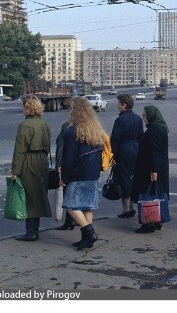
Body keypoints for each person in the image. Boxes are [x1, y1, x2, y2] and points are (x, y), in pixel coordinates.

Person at [59, 96, 106, 250]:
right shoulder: (96, 130)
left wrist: (63, 178)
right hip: (93, 174)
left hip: (78, 175)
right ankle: (86, 238)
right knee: (86, 206)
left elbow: (68, 159)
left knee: (70, 206)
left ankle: (89, 233)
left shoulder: (73, 131)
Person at [10, 95, 51, 241]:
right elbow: (48, 144)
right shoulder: (43, 123)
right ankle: (34, 230)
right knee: (38, 195)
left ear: (28, 108)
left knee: (29, 197)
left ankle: (31, 232)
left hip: (29, 161)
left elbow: (20, 150)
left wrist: (15, 171)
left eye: (24, 107)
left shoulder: (25, 125)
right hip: (42, 161)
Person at [131, 105, 170, 234]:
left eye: (144, 115)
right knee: (155, 194)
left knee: (148, 195)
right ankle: (156, 219)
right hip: (155, 168)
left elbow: (155, 152)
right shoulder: (159, 128)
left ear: (151, 115)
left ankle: (148, 222)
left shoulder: (155, 130)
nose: (143, 118)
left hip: (149, 169)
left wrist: (154, 170)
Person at [110, 92, 143, 219]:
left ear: (124, 105)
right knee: (134, 178)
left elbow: (115, 139)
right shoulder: (138, 119)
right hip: (136, 149)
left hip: (124, 150)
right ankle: (132, 207)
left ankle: (125, 209)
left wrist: (114, 156)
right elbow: (141, 136)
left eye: (119, 103)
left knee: (124, 178)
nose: (118, 106)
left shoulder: (120, 120)